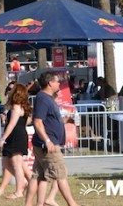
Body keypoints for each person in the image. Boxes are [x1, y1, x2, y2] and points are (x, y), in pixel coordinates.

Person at [26, 72, 79, 206]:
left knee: (39, 176)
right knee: (60, 174)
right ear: (50, 83)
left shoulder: (47, 98)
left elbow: (50, 120)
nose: (59, 83)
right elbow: (37, 121)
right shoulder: (43, 99)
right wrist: (47, 141)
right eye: (56, 81)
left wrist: (66, 120)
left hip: (46, 143)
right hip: (48, 145)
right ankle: (72, 204)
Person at [0, 83, 31, 199]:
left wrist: (2, 139)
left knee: (16, 163)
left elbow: (12, 124)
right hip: (17, 135)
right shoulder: (21, 107)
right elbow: (25, 121)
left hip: (16, 136)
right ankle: (27, 182)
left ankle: (19, 191)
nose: (10, 92)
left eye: (12, 90)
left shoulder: (16, 107)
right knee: (8, 163)